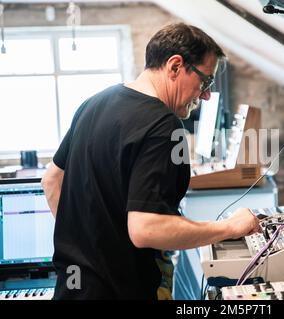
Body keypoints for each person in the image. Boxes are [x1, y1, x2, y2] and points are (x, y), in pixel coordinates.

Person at [41, 23, 261, 300]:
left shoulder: (94, 103)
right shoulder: (163, 125)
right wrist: (229, 227)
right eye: (205, 81)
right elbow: (146, 228)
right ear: (175, 66)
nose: (205, 94)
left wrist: (87, 247)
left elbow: (51, 181)